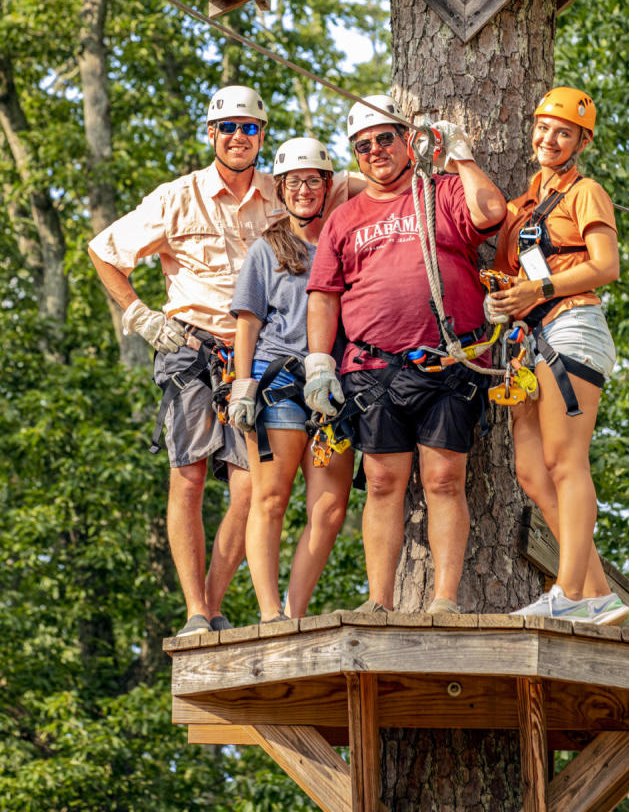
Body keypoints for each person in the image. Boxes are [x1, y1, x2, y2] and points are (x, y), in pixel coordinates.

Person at [88, 86, 361, 637]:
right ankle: (195, 611)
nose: (239, 137)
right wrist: (140, 314)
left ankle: (214, 605)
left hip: (254, 357)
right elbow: (103, 249)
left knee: (248, 489)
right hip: (190, 346)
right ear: (210, 134)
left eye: (250, 128)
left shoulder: (284, 187)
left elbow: (365, 181)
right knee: (187, 476)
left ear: (263, 136)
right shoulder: (177, 197)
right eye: (228, 128)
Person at [304, 95, 507, 615]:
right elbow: (325, 295)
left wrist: (460, 155)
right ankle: (378, 601)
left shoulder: (438, 193)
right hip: (371, 370)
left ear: (406, 141)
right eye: (363, 145)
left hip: (445, 361)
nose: (375, 151)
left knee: (443, 479)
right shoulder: (344, 219)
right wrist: (319, 362)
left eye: (385, 139)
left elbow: (491, 213)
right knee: (381, 481)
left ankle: (443, 599)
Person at [487, 86, 629, 625]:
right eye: (543, 127)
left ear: (581, 141)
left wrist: (538, 293)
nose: (549, 139)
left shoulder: (586, 192)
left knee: (565, 462)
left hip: (570, 326)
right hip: (527, 342)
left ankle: (568, 591)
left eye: (562, 132)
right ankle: (597, 593)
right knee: (532, 471)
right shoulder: (524, 204)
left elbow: (606, 265)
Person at [227, 137, 353, 623]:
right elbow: (248, 321)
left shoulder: (346, 240)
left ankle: (296, 611)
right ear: (280, 189)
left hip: (332, 386)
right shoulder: (267, 249)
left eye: (313, 181)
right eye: (293, 182)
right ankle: (268, 612)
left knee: (329, 507)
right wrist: (242, 385)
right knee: (271, 496)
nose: (303, 190)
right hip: (278, 379)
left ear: (328, 185)